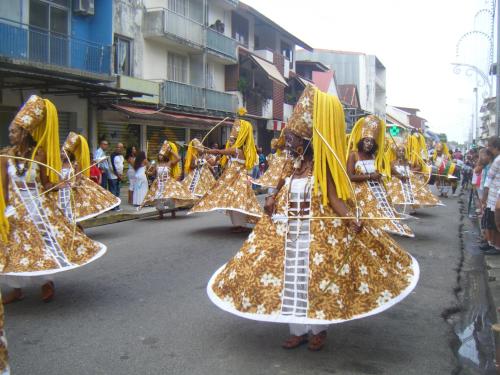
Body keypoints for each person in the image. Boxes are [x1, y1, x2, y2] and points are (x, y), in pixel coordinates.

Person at [206, 85, 419, 351]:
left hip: (316, 239)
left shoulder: (323, 167)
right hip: (289, 237)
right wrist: (272, 198)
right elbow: (281, 186)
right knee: (291, 282)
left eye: (294, 138)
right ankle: (297, 330)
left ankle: (318, 330)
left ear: (308, 141)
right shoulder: (294, 165)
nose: (290, 142)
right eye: (290, 137)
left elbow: (334, 198)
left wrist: (351, 218)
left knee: (316, 282)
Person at [0, 95, 106, 304]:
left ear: (24, 133)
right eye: (10, 131)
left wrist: (59, 185)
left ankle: (46, 282)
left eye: (14, 131)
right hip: (16, 211)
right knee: (13, 249)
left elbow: (46, 184)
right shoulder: (4, 158)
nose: (10, 135)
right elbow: (3, 187)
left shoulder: (38, 155)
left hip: (39, 209)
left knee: (44, 245)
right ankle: (16, 288)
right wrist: (6, 209)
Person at [189, 109, 263, 233]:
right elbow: (220, 156)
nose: (232, 138)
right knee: (235, 203)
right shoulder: (240, 150)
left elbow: (219, 152)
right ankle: (239, 225)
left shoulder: (237, 150)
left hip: (237, 181)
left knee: (237, 203)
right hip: (233, 180)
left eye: (235, 135)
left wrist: (206, 151)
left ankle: (241, 226)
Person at [346, 116, 414, 237]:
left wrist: (399, 176)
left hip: (378, 191)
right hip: (360, 194)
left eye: (372, 142)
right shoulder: (353, 155)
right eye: (367, 141)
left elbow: (388, 167)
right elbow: (350, 176)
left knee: (384, 215)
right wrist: (370, 176)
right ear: (361, 141)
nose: (369, 144)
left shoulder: (374, 156)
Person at [56, 132, 121, 222]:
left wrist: (75, 183)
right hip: (59, 192)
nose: (62, 154)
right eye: (61, 151)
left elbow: (78, 177)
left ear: (69, 153)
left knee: (70, 213)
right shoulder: (57, 164)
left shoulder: (75, 164)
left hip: (70, 191)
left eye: (64, 152)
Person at [140, 141, 195, 219]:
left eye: (161, 155)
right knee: (158, 199)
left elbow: (178, 158)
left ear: (165, 155)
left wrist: (171, 151)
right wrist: (146, 172)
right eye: (159, 155)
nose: (160, 156)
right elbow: (152, 173)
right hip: (158, 184)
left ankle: (173, 213)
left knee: (170, 198)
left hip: (168, 183)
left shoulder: (169, 163)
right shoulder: (156, 164)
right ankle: (161, 215)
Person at [481, 137, 500, 254]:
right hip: (494, 195)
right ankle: (492, 244)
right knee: (491, 222)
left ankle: (496, 246)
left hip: (495, 196)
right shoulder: (496, 159)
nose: (488, 149)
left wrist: (484, 195)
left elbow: (489, 178)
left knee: (495, 223)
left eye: (490, 146)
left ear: (496, 147)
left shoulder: (498, 160)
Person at [109, 143, 125, 211]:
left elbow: (121, 165)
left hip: (119, 176)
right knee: (113, 192)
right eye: (117, 147)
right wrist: (118, 175)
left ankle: (117, 206)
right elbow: (112, 167)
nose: (118, 149)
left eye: (120, 147)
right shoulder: (112, 155)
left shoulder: (121, 156)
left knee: (117, 192)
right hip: (113, 177)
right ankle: (113, 207)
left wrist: (121, 175)